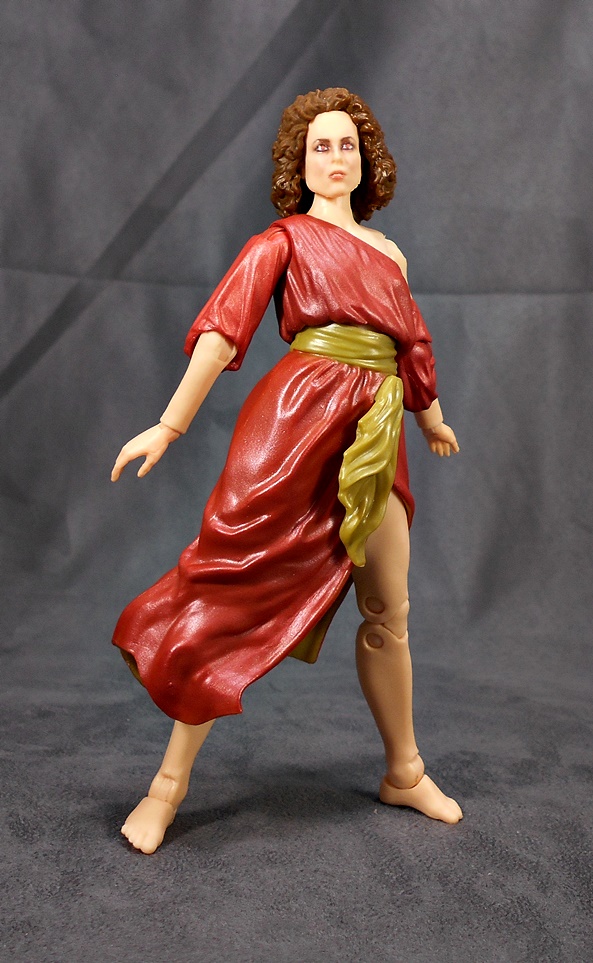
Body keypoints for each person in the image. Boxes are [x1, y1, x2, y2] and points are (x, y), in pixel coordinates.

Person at [111, 87, 462, 854]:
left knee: (387, 606)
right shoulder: (283, 240)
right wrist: (169, 423)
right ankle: (165, 787)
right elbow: (222, 331)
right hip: (296, 421)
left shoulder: (389, 252)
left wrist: (429, 417)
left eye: (347, 145)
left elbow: (411, 344)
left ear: (365, 159)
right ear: (297, 164)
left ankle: (404, 770)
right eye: (319, 146)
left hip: (376, 426)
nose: (334, 157)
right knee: (233, 588)